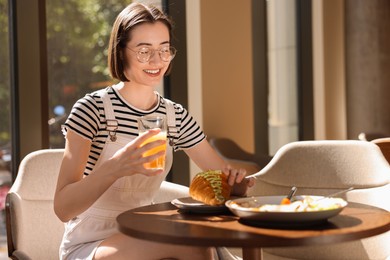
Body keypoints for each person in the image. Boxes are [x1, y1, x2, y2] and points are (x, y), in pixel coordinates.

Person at [54, 3, 255, 260]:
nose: (156, 61)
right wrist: (115, 167)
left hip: (143, 229)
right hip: (91, 241)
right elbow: (62, 208)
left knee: (197, 241)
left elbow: (221, 179)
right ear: (120, 51)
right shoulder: (92, 109)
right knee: (191, 244)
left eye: (164, 49)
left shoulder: (174, 115)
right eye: (144, 51)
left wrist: (235, 186)